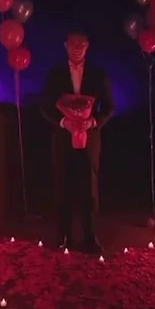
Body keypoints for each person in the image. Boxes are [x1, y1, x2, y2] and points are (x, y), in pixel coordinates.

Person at [40, 29, 115, 254]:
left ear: (88, 46)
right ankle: (63, 236)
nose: (78, 47)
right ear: (66, 45)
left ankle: (90, 236)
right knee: (63, 185)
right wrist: (65, 122)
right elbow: (45, 106)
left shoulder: (98, 73)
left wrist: (92, 121)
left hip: (90, 139)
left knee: (89, 188)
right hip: (63, 138)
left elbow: (109, 107)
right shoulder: (55, 73)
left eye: (83, 43)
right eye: (74, 43)